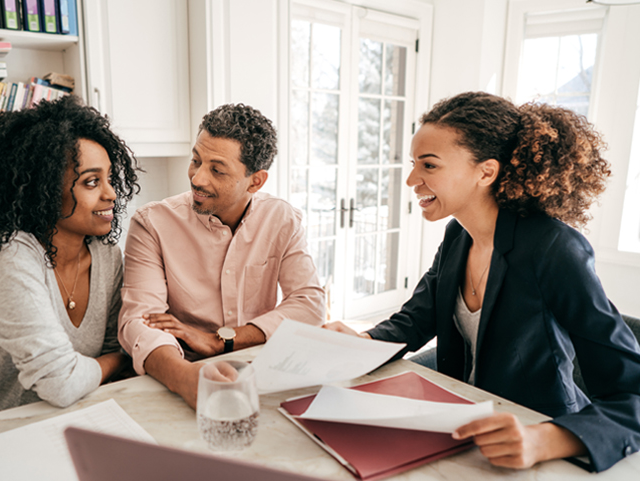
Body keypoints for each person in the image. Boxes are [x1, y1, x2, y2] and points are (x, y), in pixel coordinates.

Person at [325, 92, 640, 472]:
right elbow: (416, 319)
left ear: (486, 172)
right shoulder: (458, 236)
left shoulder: (554, 248)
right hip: (468, 428)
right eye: (413, 164)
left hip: (536, 435)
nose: (411, 180)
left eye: (429, 165)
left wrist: (545, 438)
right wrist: (362, 343)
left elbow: (631, 389)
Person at [0, 96, 139, 432]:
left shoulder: (106, 254)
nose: (112, 194)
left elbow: (106, 348)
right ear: (42, 190)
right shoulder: (5, 255)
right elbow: (62, 381)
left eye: (109, 178)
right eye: (91, 182)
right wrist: (121, 359)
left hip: (44, 424)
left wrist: (109, 359)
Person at [119, 103, 326, 407]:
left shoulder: (282, 219)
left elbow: (309, 304)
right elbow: (138, 321)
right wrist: (184, 377)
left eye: (216, 170)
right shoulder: (152, 223)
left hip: (261, 370)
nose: (197, 179)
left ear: (255, 181)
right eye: (195, 161)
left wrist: (223, 339)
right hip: (179, 372)